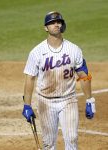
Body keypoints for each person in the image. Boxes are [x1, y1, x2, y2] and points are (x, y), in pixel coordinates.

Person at [22, 11, 96, 150]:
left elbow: (83, 75)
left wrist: (90, 100)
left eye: (58, 22)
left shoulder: (74, 50)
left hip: (68, 100)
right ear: (45, 27)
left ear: (62, 25)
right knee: (48, 143)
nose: (56, 25)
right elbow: (30, 78)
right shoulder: (37, 52)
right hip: (45, 102)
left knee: (72, 138)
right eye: (52, 23)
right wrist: (27, 105)